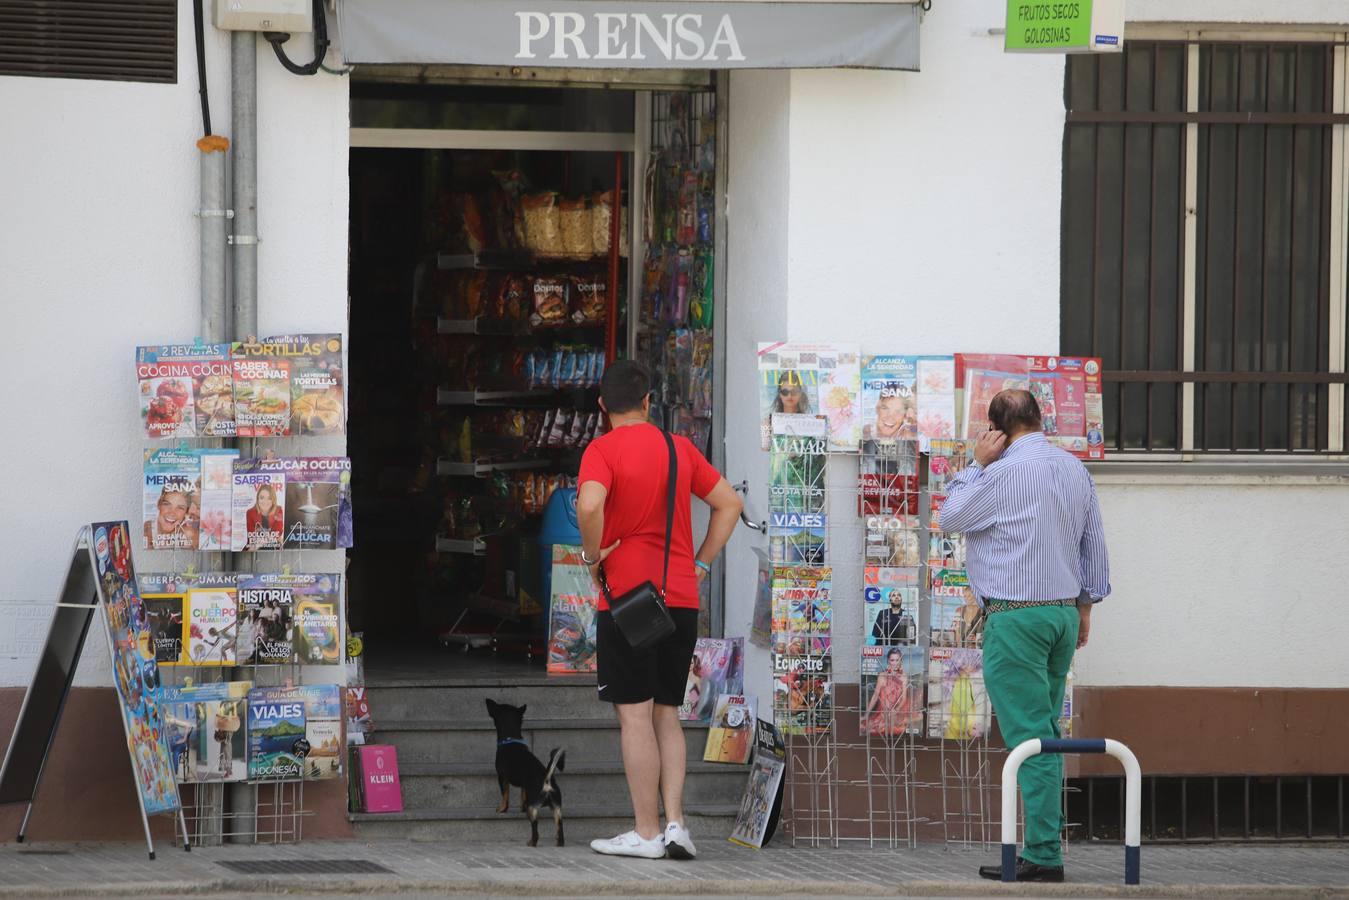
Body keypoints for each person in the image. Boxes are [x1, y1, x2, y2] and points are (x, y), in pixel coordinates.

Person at [939, 389, 1110, 884]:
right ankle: (1044, 843)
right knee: (1048, 734)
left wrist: (976, 464)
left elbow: (951, 518)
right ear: (1039, 419)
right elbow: (1093, 540)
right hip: (1060, 615)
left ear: (997, 430)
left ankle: (1042, 854)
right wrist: (1085, 609)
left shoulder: (1001, 472)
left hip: (1016, 617)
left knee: (1031, 738)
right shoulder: (1073, 468)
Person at [577, 360, 743, 861]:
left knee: (634, 717)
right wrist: (702, 565)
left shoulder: (601, 450)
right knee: (668, 714)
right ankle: (676, 825)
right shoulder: (679, 448)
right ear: (648, 402)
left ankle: (646, 833)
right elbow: (729, 504)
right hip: (681, 601)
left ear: (602, 407)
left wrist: (591, 553)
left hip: (628, 601)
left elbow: (588, 506)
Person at [862, 647, 917, 735]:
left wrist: (896, 710)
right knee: (872, 727)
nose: (895, 663)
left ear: (900, 661)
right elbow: (875, 696)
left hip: (898, 709)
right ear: (888, 661)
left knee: (900, 727)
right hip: (883, 711)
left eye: (897, 660)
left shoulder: (903, 677)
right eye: (892, 660)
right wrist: (866, 714)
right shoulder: (882, 676)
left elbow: (903, 698)